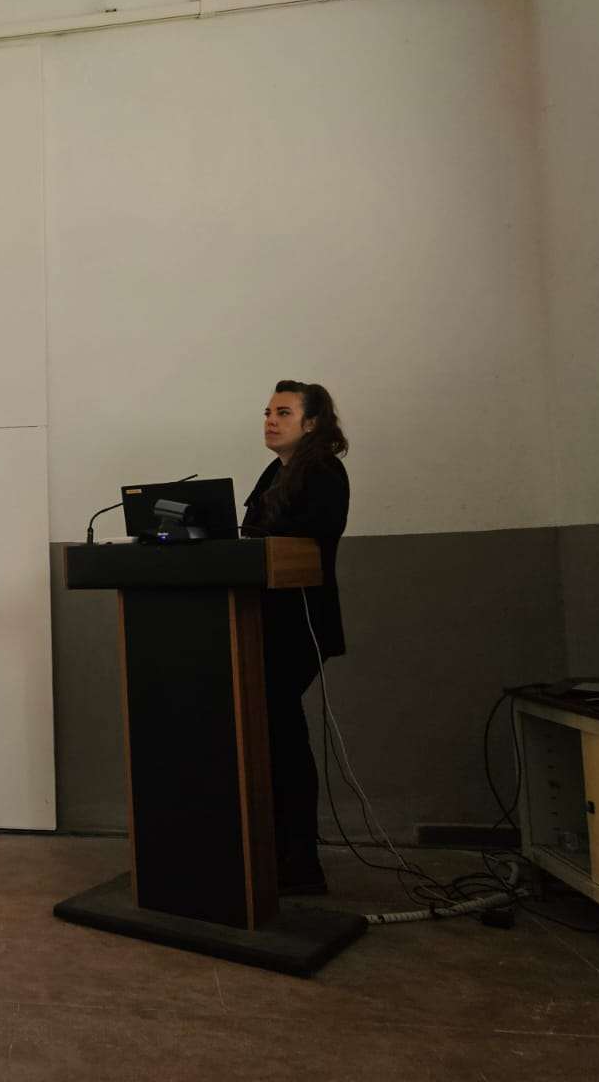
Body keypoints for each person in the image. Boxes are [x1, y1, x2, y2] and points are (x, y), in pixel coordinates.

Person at [240, 381, 349, 896]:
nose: (270, 420)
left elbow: (303, 543)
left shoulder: (323, 471)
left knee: (283, 739)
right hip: (263, 620)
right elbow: (251, 535)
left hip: (298, 624)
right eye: (267, 411)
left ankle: (300, 861)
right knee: (271, 736)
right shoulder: (274, 472)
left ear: (312, 423)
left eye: (283, 412)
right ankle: (276, 851)